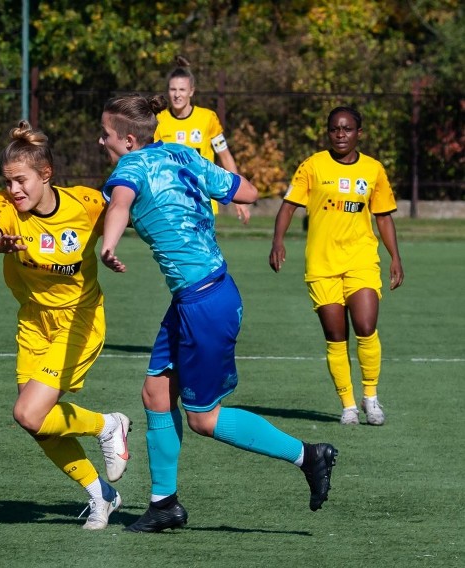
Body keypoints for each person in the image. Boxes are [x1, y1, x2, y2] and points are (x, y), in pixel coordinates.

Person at [98, 94, 338, 533]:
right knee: (155, 394)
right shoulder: (181, 153)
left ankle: (309, 455)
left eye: (106, 135)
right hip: (201, 295)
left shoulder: (129, 168)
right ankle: (164, 504)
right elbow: (247, 190)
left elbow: (119, 205)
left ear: (128, 140)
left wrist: (109, 242)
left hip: (204, 303)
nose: (101, 140)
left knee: (203, 418)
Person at [0, 120, 131, 531]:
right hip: (33, 322)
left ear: (46, 175)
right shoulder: (7, 207)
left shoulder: (84, 204)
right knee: (36, 422)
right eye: (9, 182)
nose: (14, 190)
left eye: (22, 181)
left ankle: (107, 424)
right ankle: (102, 493)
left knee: (29, 413)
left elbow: (124, 209)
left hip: (79, 319)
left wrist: (115, 244)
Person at [269, 106, 404, 426]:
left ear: (359, 133)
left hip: (361, 259)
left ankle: (370, 397)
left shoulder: (373, 170)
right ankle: (348, 405)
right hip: (322, 263)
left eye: (347, 129)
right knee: (336, 335)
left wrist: (395, 256)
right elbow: (288, 207)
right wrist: (278, 240)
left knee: (366, 327)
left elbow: (383, 216)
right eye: (334, 129)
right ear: (328, 133)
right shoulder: (313, 166)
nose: (340, 135)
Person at [153, 55, 251, 224]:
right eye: (173, 89)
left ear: (191, 91)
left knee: (203, 249)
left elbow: (225, 156)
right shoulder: (159, 120)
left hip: (203, 200)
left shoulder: (208, 118)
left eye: (182, 90)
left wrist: (237, 195)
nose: (177, 95)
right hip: (172, 199)